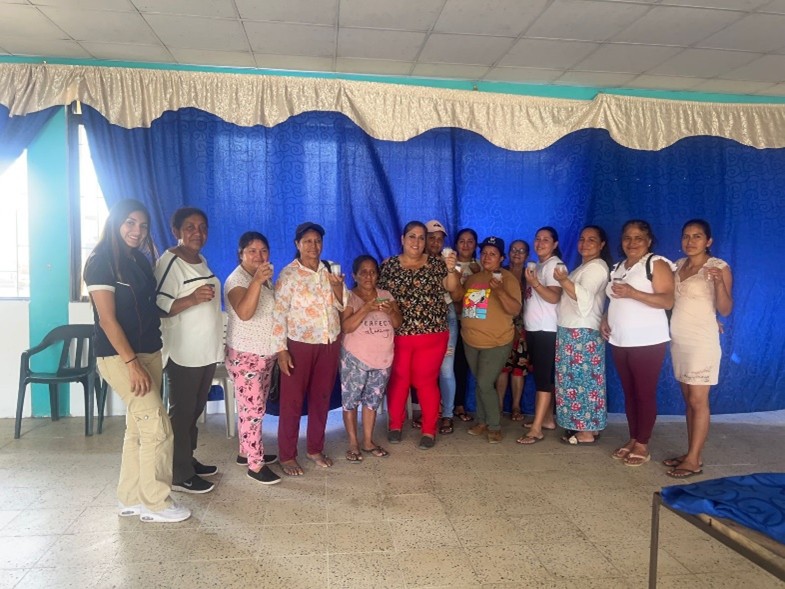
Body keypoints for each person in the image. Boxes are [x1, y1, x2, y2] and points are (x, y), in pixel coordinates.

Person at [84, 198, 190, 523]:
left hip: (149, 351)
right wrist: (132, 363)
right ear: (115, 222)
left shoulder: (140, 261)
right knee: (157, 426)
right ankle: (156, 503)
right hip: (120, 357)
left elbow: (150, 307)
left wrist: (186, 302)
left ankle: (130, 498)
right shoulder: (100, 262)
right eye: (130, 222)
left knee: (138, 428)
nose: (137, 230)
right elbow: (107, 320)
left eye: (143, 225)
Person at [155, 207, 223, 494]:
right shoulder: (170, 261)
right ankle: (178, 473)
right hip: (183, 351)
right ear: (176, 231)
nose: (198, 232)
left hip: (205, 350)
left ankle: (187, 459)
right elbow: (159, 305)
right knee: (182, 412)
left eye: (203, 227)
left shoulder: (201, 260)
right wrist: (193, 299)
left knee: (194, 409)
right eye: (190, 227)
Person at [272, 222, 348, 476]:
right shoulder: (288, 275)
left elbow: (343, 305)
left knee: (321, 398)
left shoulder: (330, 269)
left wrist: (337, 287)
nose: (313, 246)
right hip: (299, 345)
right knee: (292, 401)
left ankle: (315, 449)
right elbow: (278, 314)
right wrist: (281, 350)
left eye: (317, 241)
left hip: (328, 343)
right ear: (297, 244)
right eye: (307, 241)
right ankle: (287, 455)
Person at [378, 221, 461, 449]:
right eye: (412, 236)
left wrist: (451, 269)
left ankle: (429, 430)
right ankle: (395, 425)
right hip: (399, 336)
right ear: (403, 239)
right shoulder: (389, 266)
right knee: (399, 381)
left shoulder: (437, 264)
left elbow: (452, 288)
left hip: (432, 335)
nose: (416, 242)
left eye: (421, 237)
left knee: (426, 382)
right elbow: (380, 295)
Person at [601, 219, 675, 467]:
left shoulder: (656, 263)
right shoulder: (618, 267)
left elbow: (667, 300)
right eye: (627, 238)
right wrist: (605, 318)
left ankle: (643, 443)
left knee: (644, 393)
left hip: (647, 340)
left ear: (649, 241)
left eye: (638, 238)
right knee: (630, 392)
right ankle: (633, 437)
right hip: (620, 339)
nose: (632, 243)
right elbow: (615, 300)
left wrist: (633, 293)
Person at [665, 219, 733, 478]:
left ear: (708, 241)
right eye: (686, 236)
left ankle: (693, 460)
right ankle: (692, 453)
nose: (690, 241)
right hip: (679, 340)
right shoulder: (678, 265)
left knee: (698, 400)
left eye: (697, 236)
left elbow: (725, 309)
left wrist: (718, 283)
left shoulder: (718, 267)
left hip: (701, 342)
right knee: (688, 401)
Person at [224, 231, 281, 485]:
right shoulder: (236, 280)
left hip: (263, 354)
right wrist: (257, 281)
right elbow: (245, 313)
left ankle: (245, 452)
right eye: (252, 251)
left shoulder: (264, 278)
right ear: (241, 254)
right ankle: (255, 466)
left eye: (263, 250)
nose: (259, 256)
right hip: (246, 355)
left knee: (253, 408)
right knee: (253, 411)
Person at [457, 237, 522, 443]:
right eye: (484, 253)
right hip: (470, 340)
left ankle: (494, 425)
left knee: (485, 383)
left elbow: (515, 310)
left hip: (496, 342)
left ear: (501, 258)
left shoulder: (508, 279)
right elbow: (463, 305)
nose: (487, 257)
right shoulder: (473, 279)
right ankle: (482, 421)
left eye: (492, 254)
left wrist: (499, 290)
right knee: (480, 382)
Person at [340, 255, 402, 462]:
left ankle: (367, 441)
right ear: (354, 275)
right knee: (351, 402)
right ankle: (353, 444)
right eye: (363, 272)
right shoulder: (350, 297)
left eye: (373, 272)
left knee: (372, 401)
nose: (368, 276)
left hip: (382, 359)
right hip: (355, 358)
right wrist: (366, 308)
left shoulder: (386, 295)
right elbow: (346, 327)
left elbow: (397, 323)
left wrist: (391, 311)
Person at [554, 226, 612, 444]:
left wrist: (563, 280)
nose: (585, 243)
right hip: (573, 330)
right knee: (578, 381)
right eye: (582, 239)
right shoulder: (585, 267)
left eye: (591, 240)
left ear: (602, 244)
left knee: (582, 382)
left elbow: (584, 299)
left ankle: (586, 431)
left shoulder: (597, 267)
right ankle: (589, 428)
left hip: (581, 332)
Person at [518, 227, 563, 445]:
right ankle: (547, 420)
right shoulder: (539, 265)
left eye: (546, 239)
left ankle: (536, 429)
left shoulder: (555, 265)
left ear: (555, 244)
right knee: (542, 377)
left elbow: (554, 297)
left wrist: (535, 283)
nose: (540, 243)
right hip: (535, 329)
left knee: (543, 379)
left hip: (546, 330)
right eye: (537, 239)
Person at [425, 219, 459, 435]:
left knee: (446, 369)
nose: (436, 242)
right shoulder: (414, 261)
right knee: (427, 370)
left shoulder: (448, 263)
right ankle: (430, 412)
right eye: (432, 238)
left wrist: (452, 270)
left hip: (446, 317)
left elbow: (457, 294)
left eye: (440, 239)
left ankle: (447, 414)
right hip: (423, 321)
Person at [495, 239, 530, 421]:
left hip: (524, 327)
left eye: (521, 251)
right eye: (514, 250)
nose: (517, 253)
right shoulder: (500, 273)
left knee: (519, 368)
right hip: (502, 325)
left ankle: (516, 406)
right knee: (502, 367)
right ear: (508, 253)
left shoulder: (531, 275)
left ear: (527, 255)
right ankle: (499, 405)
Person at [452, 228, 481, 422]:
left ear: (475, 245)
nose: (465, 245)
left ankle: (460, 404)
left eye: (470, 241)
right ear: (456, 244)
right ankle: (443, 405)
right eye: (462, 241)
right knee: (447, 366)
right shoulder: (447, 264)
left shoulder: (480, 265)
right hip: (449, 321)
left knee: (463, 365)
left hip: (472, 323)